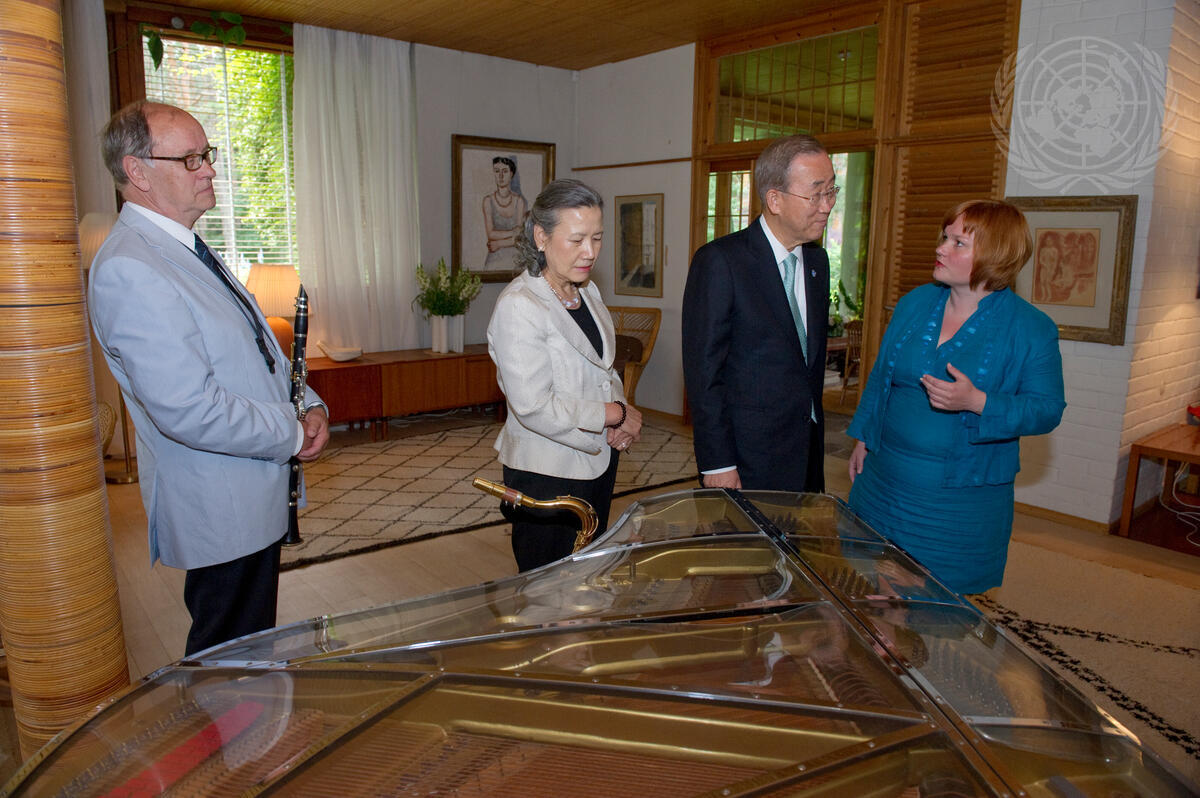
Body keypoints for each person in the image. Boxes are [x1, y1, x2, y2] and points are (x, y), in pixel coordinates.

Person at [89, 101, 331, 655]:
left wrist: (310, 403)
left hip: (247, 493)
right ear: (137, 171)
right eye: (191, 159)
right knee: (228, 665)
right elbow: (189, 409)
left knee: (250, 654)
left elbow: (254, 347)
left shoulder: (184, 244)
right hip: (220, 506)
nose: (210, 170)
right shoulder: (131, 266)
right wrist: (292, 431)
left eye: (207, 155)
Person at [846, 199, 1065, 594]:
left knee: (935, 602)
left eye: (958, 243)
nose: (941, 248)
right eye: (944, 238)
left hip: (958, 498)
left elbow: (1047, 409)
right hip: (883, 480)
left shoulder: (1031, 328)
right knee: (868, 587)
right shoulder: (914, 303)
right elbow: (881, 376)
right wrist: (864, 435)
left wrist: (978, 401)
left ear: (994, 255)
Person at [487, 178, 643, 571]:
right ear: (541, 237)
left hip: (597, 458)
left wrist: (620, 411)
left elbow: (603, 370)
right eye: (577, 240)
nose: (590, 252)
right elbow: (533, 406)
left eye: (597, 238)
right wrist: (615, 414)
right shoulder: (520, 306)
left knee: (586, 575)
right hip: (546, 470)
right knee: (546, 584)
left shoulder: (586, 291)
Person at [682, 134, 836, 492]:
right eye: (816, 194)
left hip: (806, 453)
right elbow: (704, 373)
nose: (827, 206)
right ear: (775, 199)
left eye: (832, 191)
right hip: (746, 458)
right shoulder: (721, 262)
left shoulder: (817, 261)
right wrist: (718, 462)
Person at [482, 156, 528, 272]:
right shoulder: (488, 201)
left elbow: (520, 236)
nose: (501, 176)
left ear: (511, 174)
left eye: (505, 171)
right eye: (497, 171)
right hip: (495, 258)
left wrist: (499, 243)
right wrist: (513, 232)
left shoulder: (519, 201)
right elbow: (491, 234)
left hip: (516, 258)